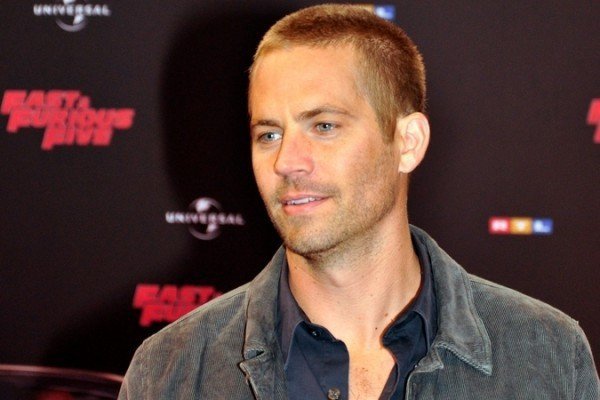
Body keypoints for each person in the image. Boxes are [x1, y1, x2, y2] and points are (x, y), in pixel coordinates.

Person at [119, 4, 599, 399]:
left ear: (407, 142)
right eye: (269, 134)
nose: (287, 161)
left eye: (324, 126)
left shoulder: (548, 357)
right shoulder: (170, 373)